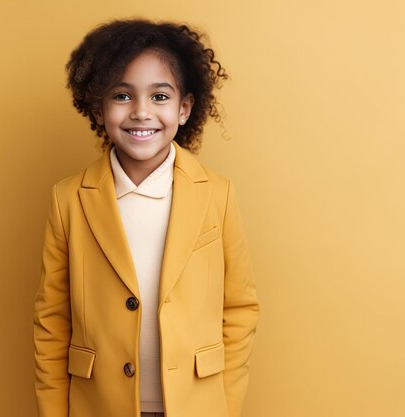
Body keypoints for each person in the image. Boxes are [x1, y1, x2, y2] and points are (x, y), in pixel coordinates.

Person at [34, 19, 259, 417]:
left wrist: (226, 403)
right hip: (99, 404)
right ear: (99, 109)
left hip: (196, 405)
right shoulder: (69, 199)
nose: (141, 112)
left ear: (184, 108)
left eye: (159, 97)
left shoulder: (217, 194)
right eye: (122, 95)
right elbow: (53, 321)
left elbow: (239, 308)